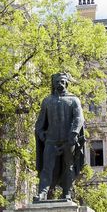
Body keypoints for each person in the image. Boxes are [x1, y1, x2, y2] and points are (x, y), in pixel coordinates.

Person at [35, 72, 85, 201]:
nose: (60, 84)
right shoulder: (47, 101)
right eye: (57, 81)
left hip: (68, 140)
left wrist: (74, 134)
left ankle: (67, 192)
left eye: (62, 81)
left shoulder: (74, 100)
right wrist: (41, 135)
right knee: (47, 168)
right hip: (51, 141)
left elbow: (79, 118)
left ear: (66, 83)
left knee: (68, 166)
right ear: (53, 83)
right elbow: (40, 123)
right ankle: (42, 193)